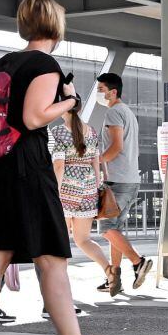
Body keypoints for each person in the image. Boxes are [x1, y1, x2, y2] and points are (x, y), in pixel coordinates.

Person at [0, 0, 122, 335]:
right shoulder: (44, 64)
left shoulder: (5, 62)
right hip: (24, 169)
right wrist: (70, 102)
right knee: (51, 258)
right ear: (56, 27)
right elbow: (34, 118)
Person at [49, 96, 121, 296]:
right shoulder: (91, 131)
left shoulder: (59, 131)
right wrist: (96, 187)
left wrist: (55, 192)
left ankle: (60, 292)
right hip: (88, 189)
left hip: (66, 190)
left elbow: (59, 165)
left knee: (60, 241)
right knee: (83, 239)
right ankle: (109, 270)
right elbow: (96, 162)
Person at [95, 72, 152, 291]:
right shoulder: (127, 112)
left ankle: (138, 262)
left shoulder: (113, 112)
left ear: (113, 92)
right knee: (115, 230)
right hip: (129, 180)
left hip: (118, 181)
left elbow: (116, 146)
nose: (99, 93)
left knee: (105, 228)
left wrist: (97, 161)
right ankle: (114, 279)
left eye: (101, 89)